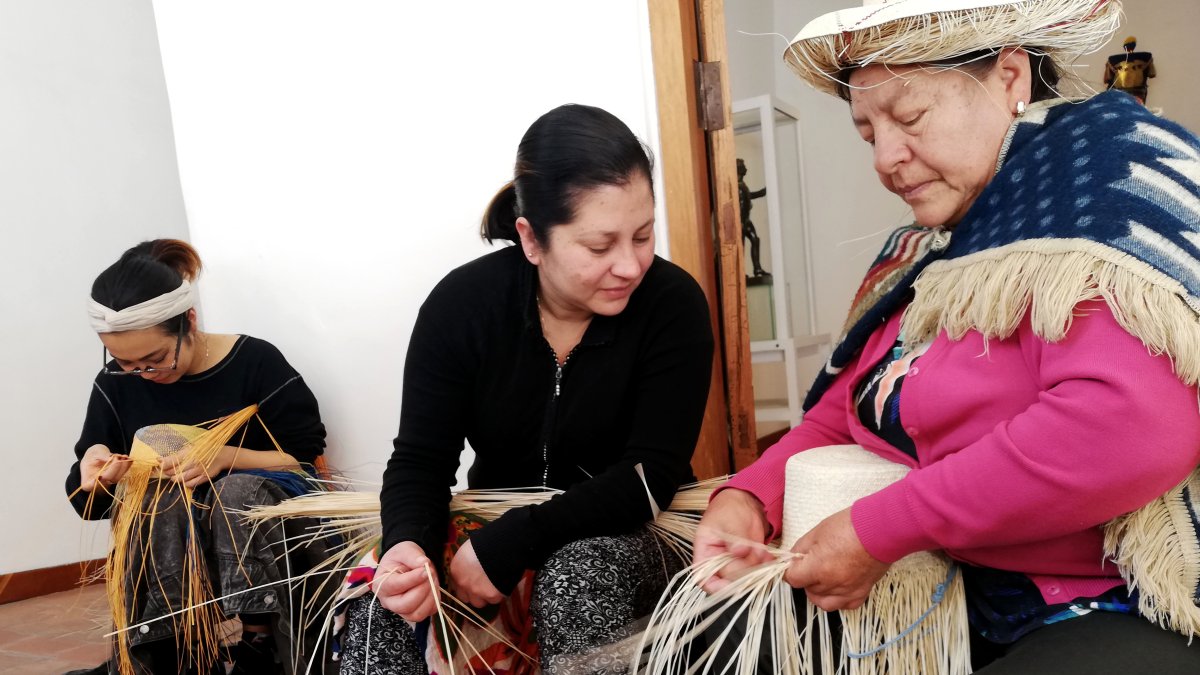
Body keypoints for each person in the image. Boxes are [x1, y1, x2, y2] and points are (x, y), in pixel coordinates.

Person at [696, 0, 1200, 672]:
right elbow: (848, 410)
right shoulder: (933, 250)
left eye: (909, 118)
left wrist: (879, 528)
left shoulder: (1101, 194)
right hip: (962, 584)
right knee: (721, 638)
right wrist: (748, 496)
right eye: (868, 134)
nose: (886, 158)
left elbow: (1128, 426)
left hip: (1119, 600)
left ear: (1010, 76)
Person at [336, 103, 714, 674]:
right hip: (498, 519)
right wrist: (406, 544)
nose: (631, 266)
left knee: (577, 580)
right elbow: (420, 460)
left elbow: (649, 475)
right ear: (531, 239)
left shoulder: (672, 305)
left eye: (642, 235)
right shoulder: (462, 307)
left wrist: (518, 541)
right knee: (383, 608)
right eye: (599, 247)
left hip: (635, 528)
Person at [65, 239, 331, 675]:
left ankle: (261, 643)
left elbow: (301, 461)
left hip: (265, 529)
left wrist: (226, 456)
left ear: (189, 320)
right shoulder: (115, 383)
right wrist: (96, 471)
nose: (143, 374)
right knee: (160, 500)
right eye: (126, 362)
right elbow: (88, 504)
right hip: (174, 540)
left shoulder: (255, 361)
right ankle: (175, 652)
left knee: (235, 492)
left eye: (155, 359)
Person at [737, 158, 769, 279]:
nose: (746, 169)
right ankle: (741, 272)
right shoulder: (737, 186)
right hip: (741, 221)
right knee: (741, 247)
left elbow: (748, 196)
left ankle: (757, 269)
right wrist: (740, 222)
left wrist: (761, 193)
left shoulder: (742, 185)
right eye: (743, 167)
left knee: (755, 240)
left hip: (746, 220)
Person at [1103, 35, 1156, 104]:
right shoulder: (1146, 58)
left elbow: (1107, 79)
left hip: (1118, 92)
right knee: (1136, 108)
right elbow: (1152, 74)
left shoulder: (1112, 60)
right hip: (1138, 92)